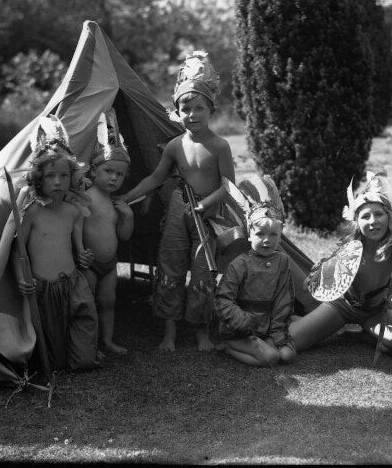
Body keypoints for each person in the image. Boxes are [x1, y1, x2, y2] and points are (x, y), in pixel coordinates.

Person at [122, 51, 235, 352]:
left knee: (202, 271)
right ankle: (169, 334)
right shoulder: (175, 145)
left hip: (207, 216)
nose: (192, 115)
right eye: (186, 109)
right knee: (170, 266)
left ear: (211, 109)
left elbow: (228, 186)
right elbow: (155, 179)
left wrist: (206, 202)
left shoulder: (220, 146)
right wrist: (125, 197)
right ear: (177, 111)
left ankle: (201, 333)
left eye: (199, 108)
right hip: (177, 210)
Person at [289, 172, 392, 358]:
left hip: (375, 312)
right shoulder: (351, 247)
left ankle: (363, 335)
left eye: (379, 214)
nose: (373, 221)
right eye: (365, 216)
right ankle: (297, 320)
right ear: (357, 223)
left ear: (388, 216)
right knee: (293, 341)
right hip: (341, 307)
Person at [16, 115, 100, 372]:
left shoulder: (74, 212)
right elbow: (16, 249)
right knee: (54, 361)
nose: (57, 182)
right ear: (38, 178)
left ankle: (87, 351)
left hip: (73, 283)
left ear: (72, 177)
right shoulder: (31, 212)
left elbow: (79, 251)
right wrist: (22, 276)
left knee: (83, 357)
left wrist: (85, 257)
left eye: (64, 175)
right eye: (50, 175)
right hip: (44, 288)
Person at [215, 176, 296, 367]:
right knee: (272, 358)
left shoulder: (282, 261)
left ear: (279, 237)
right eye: (260, 234)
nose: (266, 240)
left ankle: (266, 341)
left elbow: (283, 299)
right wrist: (242, 322)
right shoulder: (240, 263)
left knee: (288, 356)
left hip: (265, 328)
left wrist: (278, 334)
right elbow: (222, 299)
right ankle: (228, 346)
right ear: (249, 235)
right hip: (240, 329)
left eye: (273, 235)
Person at [81, 108, 135, 356]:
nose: (114, 178)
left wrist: (128, 216)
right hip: (90, 263)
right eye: (108, 171)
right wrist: (79, 253)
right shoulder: (86, 198)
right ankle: (90, 344)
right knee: (88, 304)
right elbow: (75, 227)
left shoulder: (115, 203)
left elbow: (124, 236)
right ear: (93, 171)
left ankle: (108, 340)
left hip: (110, 264)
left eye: (120, 174)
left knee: (108, 302)